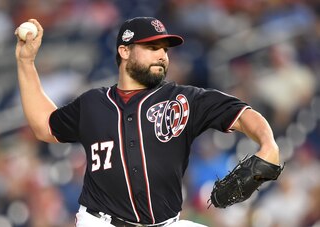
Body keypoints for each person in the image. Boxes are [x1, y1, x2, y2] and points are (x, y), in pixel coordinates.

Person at [15, 17, 280, 227]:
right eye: (152, 47)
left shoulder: (183, 100)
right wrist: (26, 62)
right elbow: (44, 125)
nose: (162, 55)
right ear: (125, 51)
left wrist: (268, 145)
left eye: (164, 49)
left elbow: (243, 114)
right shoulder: (92, 104)